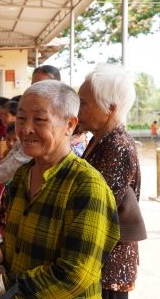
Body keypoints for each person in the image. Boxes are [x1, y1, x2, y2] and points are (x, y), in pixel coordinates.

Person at [0, 80, 120, 298]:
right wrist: (1, 254)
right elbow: (24, 242)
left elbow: (75, 274)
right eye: (21, 118)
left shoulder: (87, 186)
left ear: (70, 125)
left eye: (40, 119)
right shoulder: (23, 174)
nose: (26, 129)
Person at [78, 63, 140, 298]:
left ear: (111, 108)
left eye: (84, 103)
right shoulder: (98, 139)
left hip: (109, 265)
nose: (78, 110)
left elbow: (100, 208)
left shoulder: (117, 146)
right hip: (97, 258)